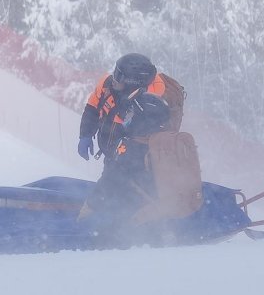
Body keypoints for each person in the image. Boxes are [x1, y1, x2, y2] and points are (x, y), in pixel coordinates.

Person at [80, 94, 202, 248]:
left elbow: (109, 183)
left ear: (142, 120)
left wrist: (88, 208)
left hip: (138, 220)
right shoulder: (162, 144)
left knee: (97, 234)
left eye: (131, 114)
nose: (126, 118)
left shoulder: (130, 148)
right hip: (164, 211)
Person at [78, 53, 185, 162]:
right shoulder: (107, 85)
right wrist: (85, 134)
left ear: (132, 82)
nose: (114, 79)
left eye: (119, 76)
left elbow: (144, 141)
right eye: (115, 71)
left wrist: (122, 164)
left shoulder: (150, 105)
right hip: (113, 153)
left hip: (135, 161)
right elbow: (92, 108)